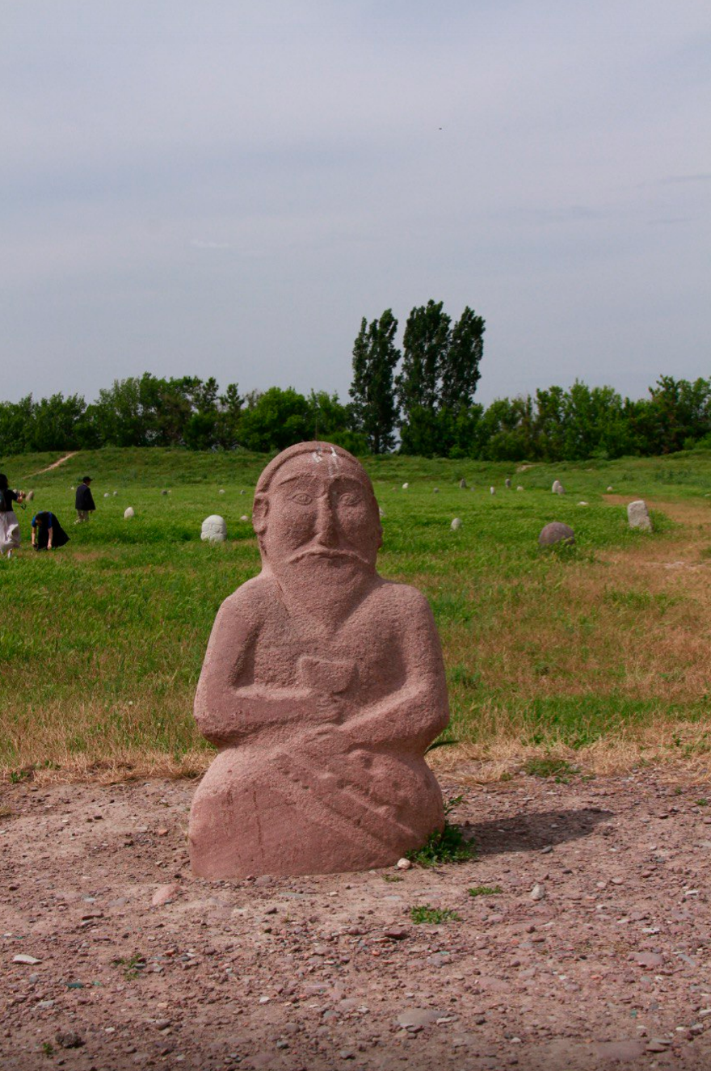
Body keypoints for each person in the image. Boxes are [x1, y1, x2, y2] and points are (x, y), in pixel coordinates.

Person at [189, 441, 449, 879]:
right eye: (301, 500)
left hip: (379, 775)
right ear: (261, 517)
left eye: (348, 501)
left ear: (377, 521)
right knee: (231, 793)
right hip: (265, 771)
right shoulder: (248, 606)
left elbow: (427, 703)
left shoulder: (402, 606)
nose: (326, 529)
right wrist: (301, 708)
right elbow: (214, 709)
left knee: (403, 791)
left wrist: (348, 736)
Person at [0, 473, 24, 559]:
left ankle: (3, 547)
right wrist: (20, 495)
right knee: (13, 532)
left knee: (2, 534)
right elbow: (20, 501)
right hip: (10, 514)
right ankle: (9, 549)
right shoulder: (9, 492)